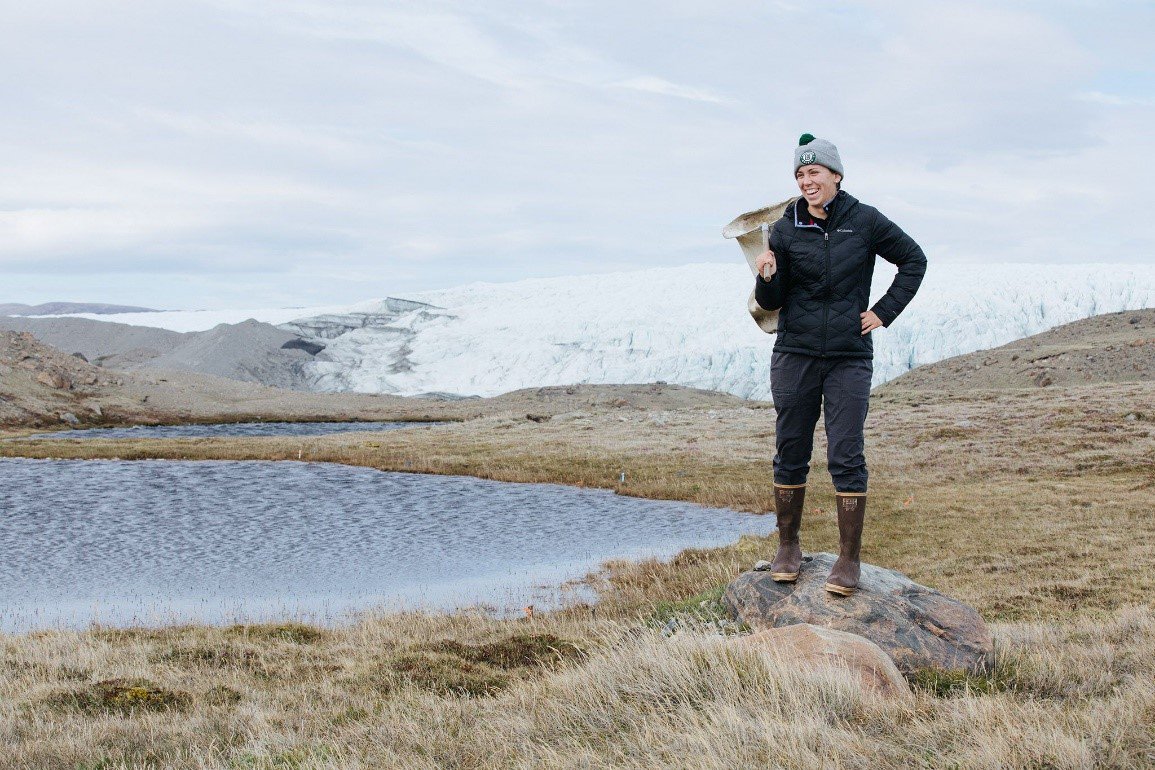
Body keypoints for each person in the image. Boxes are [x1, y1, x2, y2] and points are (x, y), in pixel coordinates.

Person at [753, 133, 926, 595]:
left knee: (846, 455)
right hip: (795, 353)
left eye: (814, 172)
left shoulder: (865, 220)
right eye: (800, 174)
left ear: (835, 175)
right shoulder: (784, 228)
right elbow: (771, 300)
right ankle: (788, 547)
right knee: (791, 449)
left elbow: (914, 260)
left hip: (849, 356)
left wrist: (884, 312)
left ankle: (849, 559)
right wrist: (766, 276)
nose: (806, 181)